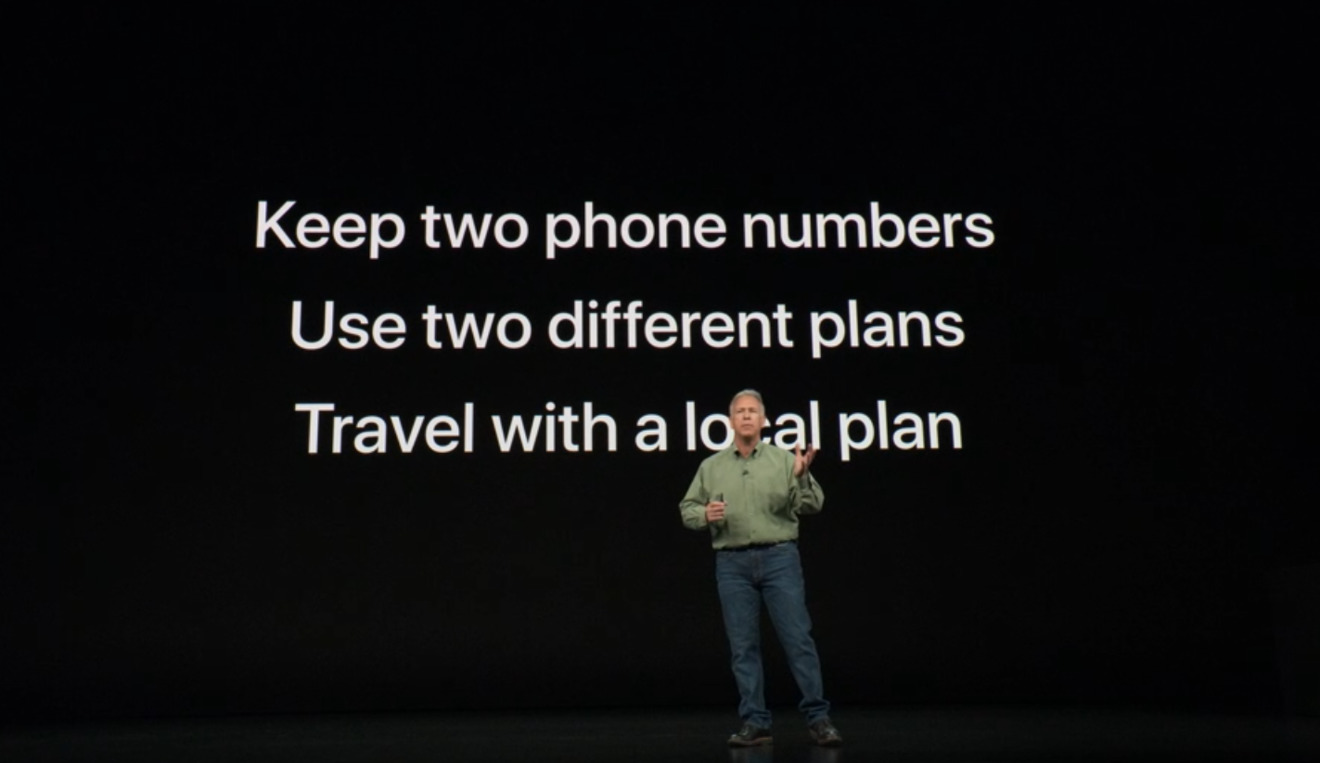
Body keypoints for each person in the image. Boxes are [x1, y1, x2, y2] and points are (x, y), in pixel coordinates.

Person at [679, 389, 842, 747]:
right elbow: (687, 509)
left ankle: (819, 718)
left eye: (753, 411)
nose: (747, 416)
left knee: (798, 639)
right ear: (730, 420)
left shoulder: (784, 461)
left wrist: (802, 476)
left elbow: (813, 504)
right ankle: (756, 722)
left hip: (779, 559)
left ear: (764, 420)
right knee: (743, 647)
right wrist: (704, 514)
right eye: (740, 411)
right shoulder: (711, 466)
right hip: (732, 564)